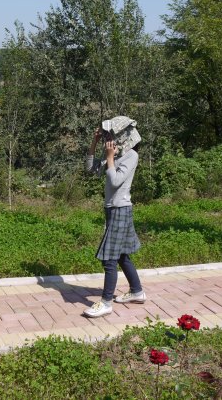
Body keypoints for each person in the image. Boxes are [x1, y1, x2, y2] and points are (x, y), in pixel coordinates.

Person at [83, 116, 147, 318]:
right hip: (112, 210)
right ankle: (137, 291)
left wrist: (110, 158)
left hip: (121, 209)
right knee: (121, 255)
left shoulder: (131, 156)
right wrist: (94, 144)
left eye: (110, 134)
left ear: (123, 136)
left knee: (109, 258)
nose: (107, 138)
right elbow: (90, 170)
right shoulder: (115, 154)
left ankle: (106, 302)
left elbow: (115, 181)